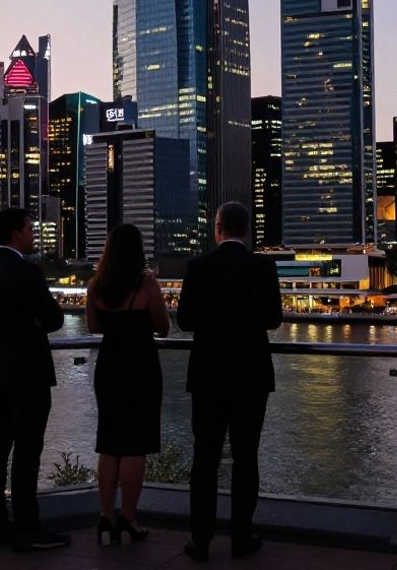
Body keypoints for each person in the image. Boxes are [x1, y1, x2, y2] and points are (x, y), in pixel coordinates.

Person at [176, 202, 283, 561]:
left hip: (207, 377)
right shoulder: (263, 268)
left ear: (217, 228)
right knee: (245, 458)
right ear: (247, 230)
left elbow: (186, 321)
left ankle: (201, 541)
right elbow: (273, 319)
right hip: (251, 376)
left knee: (204, 460)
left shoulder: (197, 268)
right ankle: (241, 537)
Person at [0, 207, 70, 552]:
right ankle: (28, 526)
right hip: (28, 370)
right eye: (30, 229)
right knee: (28, 449)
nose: (34, 234)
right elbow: (55, 318)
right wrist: (35, 323)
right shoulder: (27, 271)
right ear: (16, 233)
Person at [85, 224, 170, 545]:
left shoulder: (96, 286)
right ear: (138, 251)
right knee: (136, 445)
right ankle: (128, 517)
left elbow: (94, 327)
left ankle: (105, 515)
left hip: (108, 367)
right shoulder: (146, 284)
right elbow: (163, 328)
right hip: (141, 366)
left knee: (109, 444)